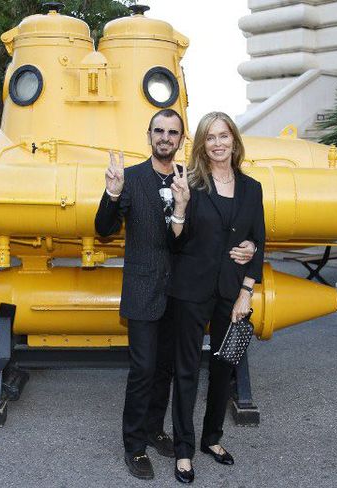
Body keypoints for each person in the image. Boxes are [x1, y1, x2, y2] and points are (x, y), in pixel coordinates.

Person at [94, 109, 256, 481]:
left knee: (167, 368)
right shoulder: (131, 178)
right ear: (148, 135)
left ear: (182, 140)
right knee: (143, 369)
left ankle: (154, 428)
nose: (165, 137)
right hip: (144, 287)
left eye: (173, 132)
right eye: (159, 131)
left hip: (183, 292)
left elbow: (216, 231)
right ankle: (134, 446)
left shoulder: (192, 181)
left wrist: (246, 246)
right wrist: (112, 192)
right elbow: (103, 229)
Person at [167, 112, 265, 483]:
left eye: (224, 136)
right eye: (211, 137)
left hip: (232, 291)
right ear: (202, 145)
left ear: (235, 142)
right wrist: (179, 208)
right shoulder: (189, 184)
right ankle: (183, 449)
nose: (219, 143)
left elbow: (259, 240)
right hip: (191, 290)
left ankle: (212, 438)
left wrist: (246, 289)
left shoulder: (252, 188)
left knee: (224, 368)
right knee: (187, 369)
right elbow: (173, 241)